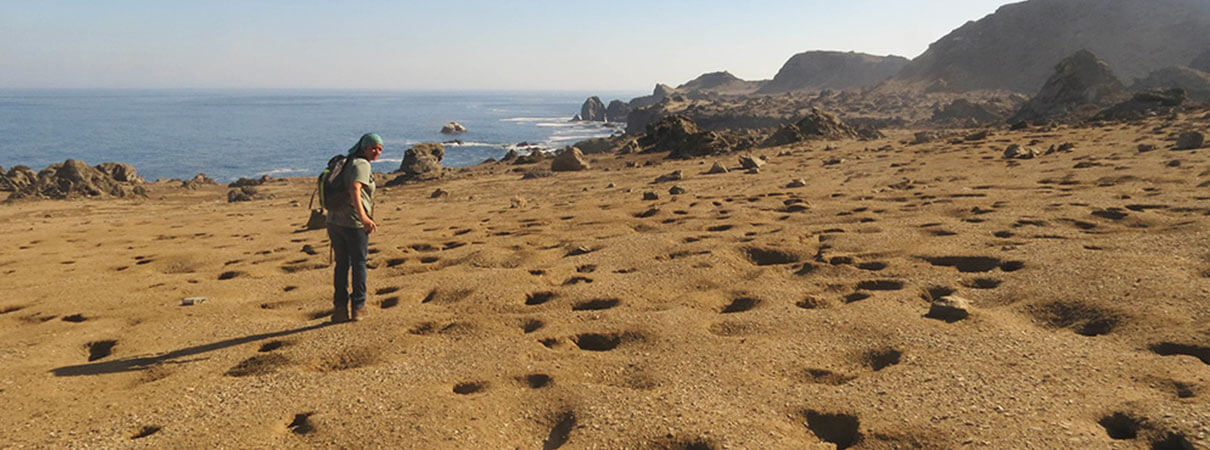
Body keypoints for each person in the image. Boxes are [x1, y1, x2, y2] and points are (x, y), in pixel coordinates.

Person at [327, 133, 382, 323]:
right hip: (352, 223)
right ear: (364, 147)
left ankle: (339, 309)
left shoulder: (348, 161)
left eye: (380, 149)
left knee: (342, 265)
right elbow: (354, 189)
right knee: (359, 264)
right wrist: (364, 217)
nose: (377, 152)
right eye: (373, 147)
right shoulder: (362, 164)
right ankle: (358, 307)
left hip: (334, 221)